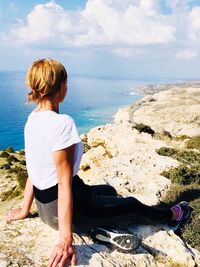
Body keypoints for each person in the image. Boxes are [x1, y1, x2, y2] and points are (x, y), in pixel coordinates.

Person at [6, 59, 191, 267]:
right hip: (70, 211)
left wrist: (24, 209)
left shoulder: (33, 119)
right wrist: (65, 240)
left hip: (45, 210)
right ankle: (172, 216)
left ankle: (98, 228)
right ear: (60, 86)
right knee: (131, 204)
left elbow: (34, 168)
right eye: (66, 82)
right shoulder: (62, 124)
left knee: (109, 191)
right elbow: (63, 184)